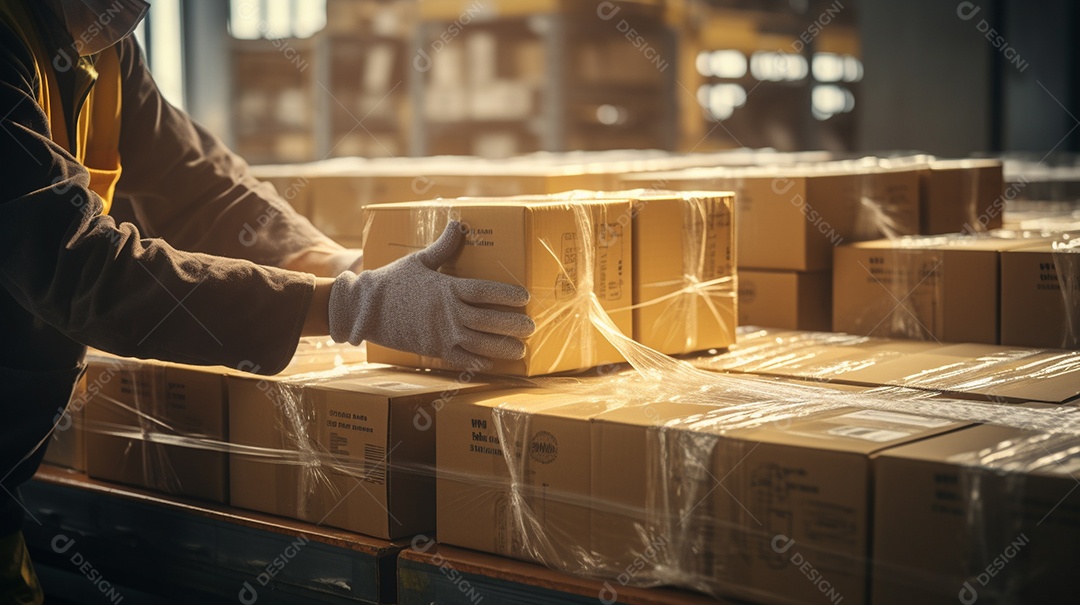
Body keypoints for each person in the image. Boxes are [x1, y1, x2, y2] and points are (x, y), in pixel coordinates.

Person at [0, 0, 535, 601]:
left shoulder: (104, 54)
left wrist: (345, 266)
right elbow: (85, 271)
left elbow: (206, 194)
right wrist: (349, 305)